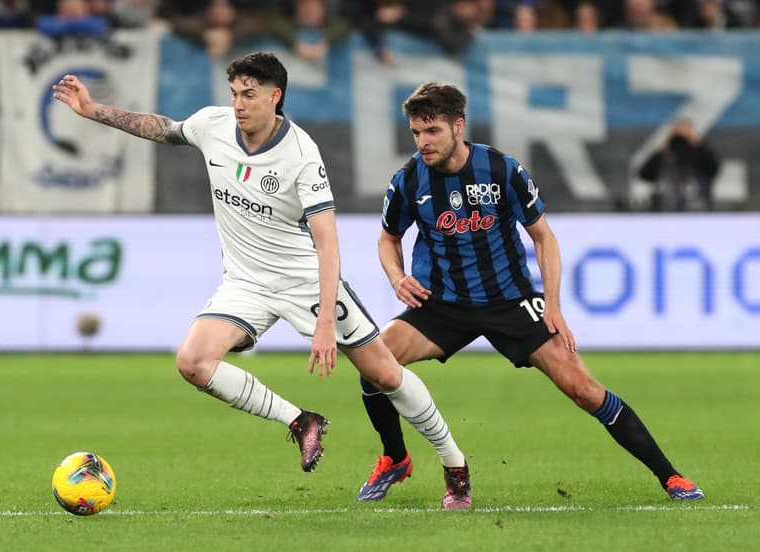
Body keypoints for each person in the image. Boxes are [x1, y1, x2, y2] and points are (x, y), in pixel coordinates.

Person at [52, 53, 467, 488]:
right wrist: (91, 110)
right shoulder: (213, 126)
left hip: (303, 281)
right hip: (245, 282)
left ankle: (454, 463)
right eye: (234, 94)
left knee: (383, 374)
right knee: (193, 362)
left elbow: (327, 243)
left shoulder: (302, 154)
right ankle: (300, 421)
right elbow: (164, 129)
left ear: (275, 96)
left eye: (249, 95)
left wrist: (325, 320)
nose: (239, 104)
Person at [356, 82, 704, 507]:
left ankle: (671, 477)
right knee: (372, 359)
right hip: (442, 305)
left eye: (432, 131)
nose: (423, 142)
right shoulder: (408, 180)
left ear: (457, 126)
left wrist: (552, 306)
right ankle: (395, 457)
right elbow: (387, 239)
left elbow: (543, 237)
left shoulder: (502, 170)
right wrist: (396, 277)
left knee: (584, 390)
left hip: (511, 301)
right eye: (416, 133)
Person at [638, 118, 720, 211]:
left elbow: (714, 169)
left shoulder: (699, 155)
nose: (681, 140)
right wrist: (664, 149)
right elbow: (644, 174)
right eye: (677, 133)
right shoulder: (666, 156)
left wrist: (697, 143)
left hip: (696, 211)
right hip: (665, 210)